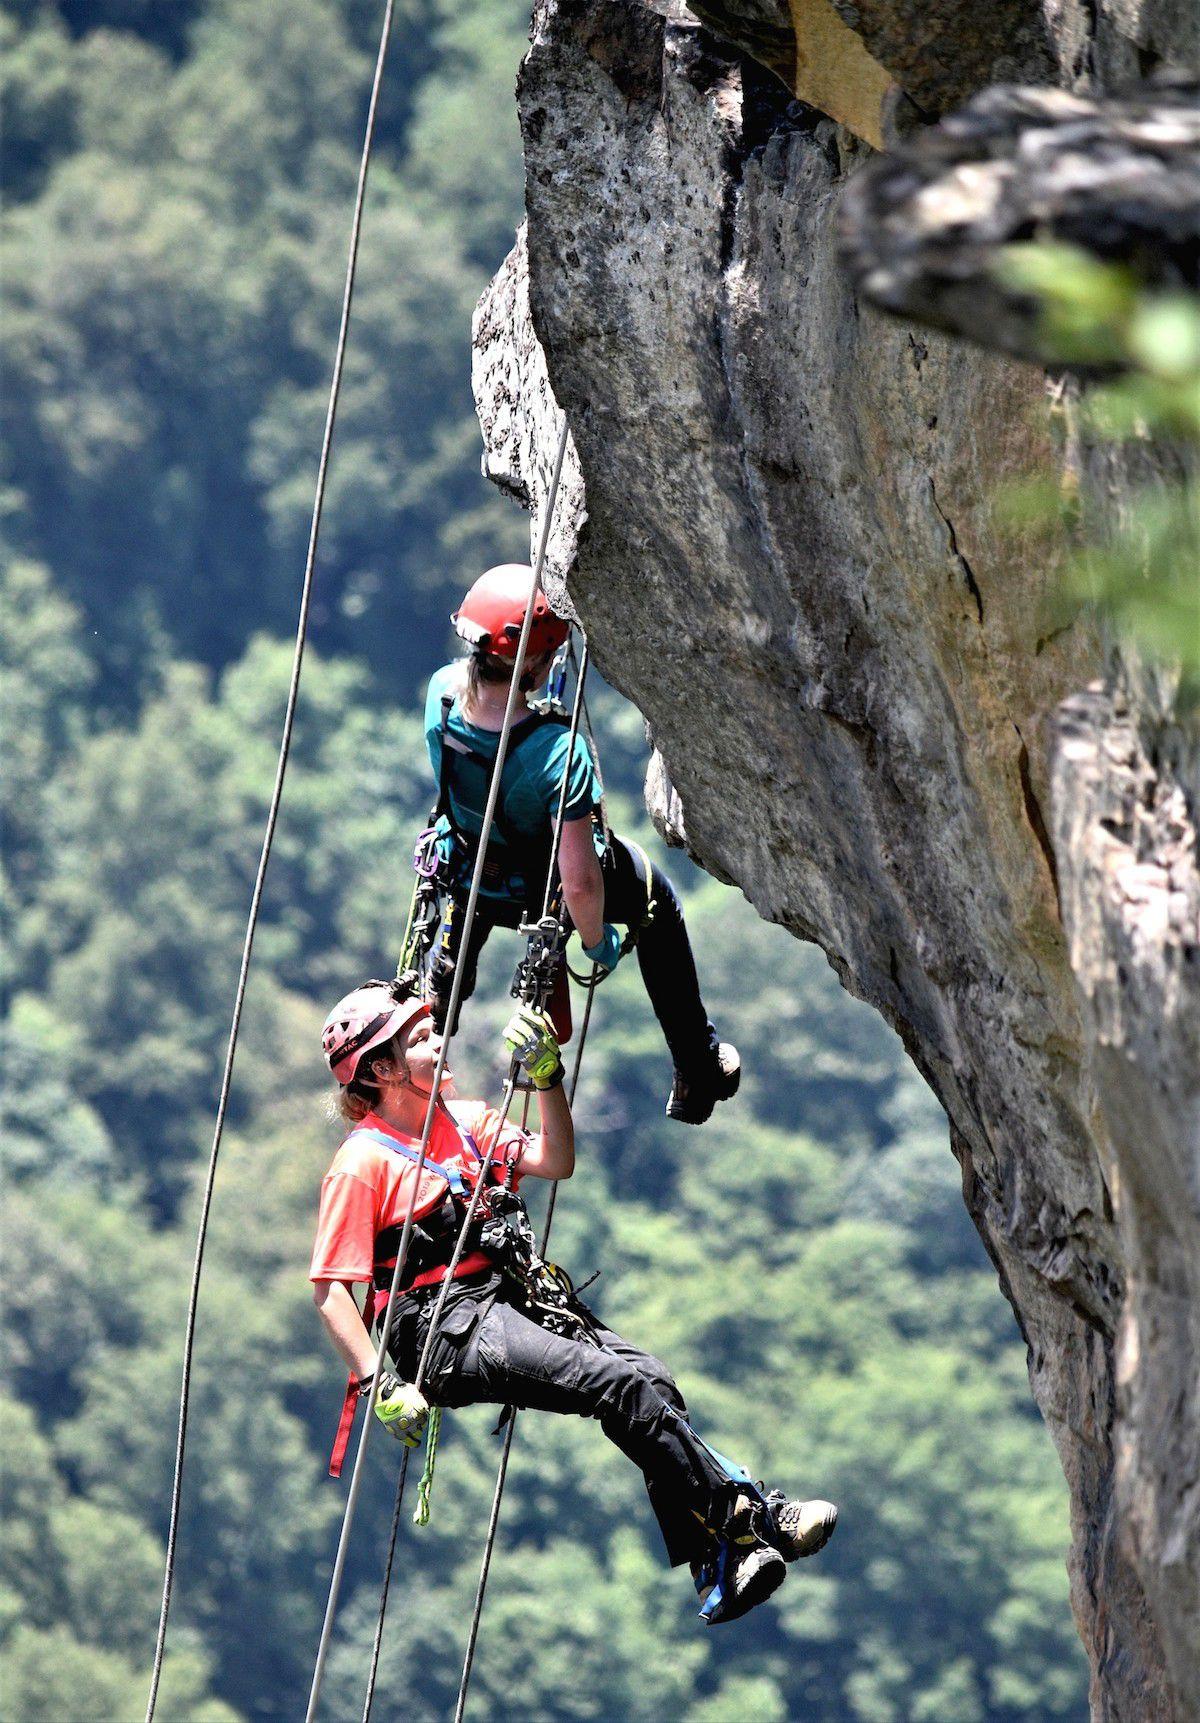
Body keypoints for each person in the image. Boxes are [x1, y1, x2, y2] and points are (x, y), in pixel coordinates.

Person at [310, 978, 838, 1624]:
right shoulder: (363, 1162)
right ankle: (752, 1516)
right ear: (383, 1069)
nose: (440, 1040)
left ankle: (714, 1557)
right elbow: (331, 1289)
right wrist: (379, 1383)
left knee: (650, 1378)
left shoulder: (463, 1121)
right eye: (420, 1038)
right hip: (445, 1332)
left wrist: (547, 1078)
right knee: (614, 1383)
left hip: (506, 1296)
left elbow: (555, 1158)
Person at [422, 561, 740, 1126]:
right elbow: (581, 879)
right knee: (655, 900)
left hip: (470, 869)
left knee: (449, 962)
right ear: (541, 662)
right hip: (538, 888)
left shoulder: (442, 695)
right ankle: (697, 1069)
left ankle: (421, 1044)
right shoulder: (557, 754)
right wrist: (596, 943)